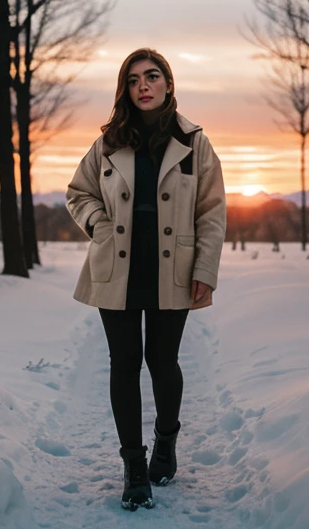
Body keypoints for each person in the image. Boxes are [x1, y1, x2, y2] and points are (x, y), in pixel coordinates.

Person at [65, 48, 226, 511]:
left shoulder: (195, 142)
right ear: (126, 89)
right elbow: (79, 191)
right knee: (123, 364)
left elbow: (212, 213)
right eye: (133, 79)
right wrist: (97, 222)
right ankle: (134, 468)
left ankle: (166, 441)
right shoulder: (110, 141)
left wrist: (205, 270)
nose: (143, 86)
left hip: (172, 268)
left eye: (151, 76)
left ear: (168, 84)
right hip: (116, 265)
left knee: (162, 362)